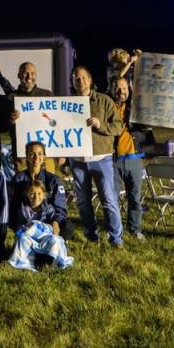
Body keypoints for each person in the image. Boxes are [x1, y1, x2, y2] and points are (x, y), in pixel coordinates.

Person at [69, 66, 124, 247]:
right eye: (76, 78)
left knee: (108, 199)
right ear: (72, 82)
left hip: (102, 158)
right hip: (78, 160)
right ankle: (91, 236)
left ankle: (116, 239)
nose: (80, 81)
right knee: (83, 202)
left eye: (83, 78)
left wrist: (100, 125)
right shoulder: (66, 104)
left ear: (90, 80)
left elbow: (118, 127)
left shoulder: (104, 101)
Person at [110, 77, 149, 240]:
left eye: (124, 88)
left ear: (129, 89)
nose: (121, 91)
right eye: (118, 88)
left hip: (134, 158)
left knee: (135, 196)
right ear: (112, 90)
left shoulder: (136, 106)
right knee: (112, 197)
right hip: (114, 159)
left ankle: (135, 228)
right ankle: (113, 228)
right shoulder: (109, 105)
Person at [9, 142, 72, 238]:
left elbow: (60, 208)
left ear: (44, 157)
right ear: (26, 156)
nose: (36, 157)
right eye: (32, 154)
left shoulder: (53, 180)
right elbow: (12, 206)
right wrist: (19, 227)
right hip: (26, 223)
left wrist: (55, 222)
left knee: (68, 226)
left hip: (48, 222)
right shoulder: (18, 179)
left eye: (39, 154)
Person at [8, 181, 75, 271]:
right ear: (27, 194)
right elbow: (19, 226)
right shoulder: (23, 209)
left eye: (39, 193)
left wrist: (52, 227)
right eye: (32, 193)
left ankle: (53, 260)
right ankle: (26, 261)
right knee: (23, 237)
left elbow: (52, 225)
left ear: (44, 195)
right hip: (30, 238)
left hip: (44, 238)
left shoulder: (48, 209)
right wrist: (23, 232)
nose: (36, 197)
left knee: (55, 239)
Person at [5, 62, 55, 173]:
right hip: (22, 153)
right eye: (25, 73)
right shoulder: (11, 97)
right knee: (24, 186)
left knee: (48, 184)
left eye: (32, 73)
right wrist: (11, 121)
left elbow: (57, 124)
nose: (29, 77)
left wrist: (62, 153)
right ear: (18, 75)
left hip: (46, 152)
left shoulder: (47, 95)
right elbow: (4, 127)